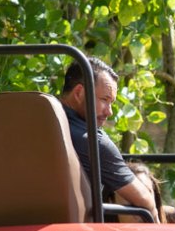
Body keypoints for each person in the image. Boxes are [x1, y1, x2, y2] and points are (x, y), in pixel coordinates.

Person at [59, 58, 155, 215]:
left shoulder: (35, 123)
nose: (109, 112)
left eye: (111, 103)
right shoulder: (93, 142)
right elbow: (147, 202)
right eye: (104, 100)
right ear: (79, 93)